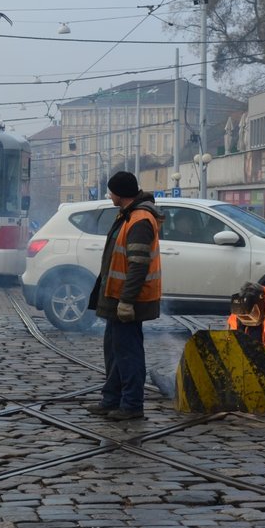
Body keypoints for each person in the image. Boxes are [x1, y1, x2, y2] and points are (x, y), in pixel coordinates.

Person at [149, 281, 265, 400]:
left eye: (250, 316)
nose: (246, 320)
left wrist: (254, 354)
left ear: (261, 303)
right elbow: (230, 341)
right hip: (256, 350)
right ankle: (177, 383)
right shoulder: (238, 310)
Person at [85, 171, 162, 421]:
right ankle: (112, 399)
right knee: (115, 352)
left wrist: (127, 301)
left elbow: (138, 265)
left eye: (110, 191)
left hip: (127, 301)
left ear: (119, 193)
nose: (109, 195)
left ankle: (131, 405)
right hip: (115, 298)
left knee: (128, 354)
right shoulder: (128, 215)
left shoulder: (139, 220)